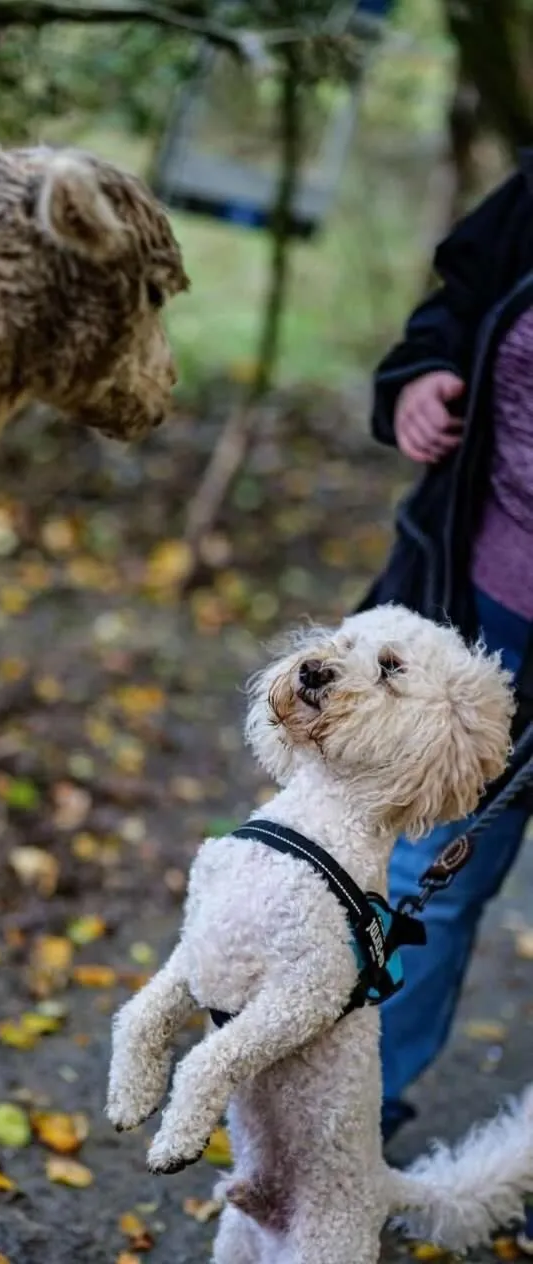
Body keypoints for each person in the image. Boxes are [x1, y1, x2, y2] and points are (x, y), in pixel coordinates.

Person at [360, 155, 533, 1247]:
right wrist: (420, 379)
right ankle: (344, 1124)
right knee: (431, 875)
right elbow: (456, 303)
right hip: (485, 612)